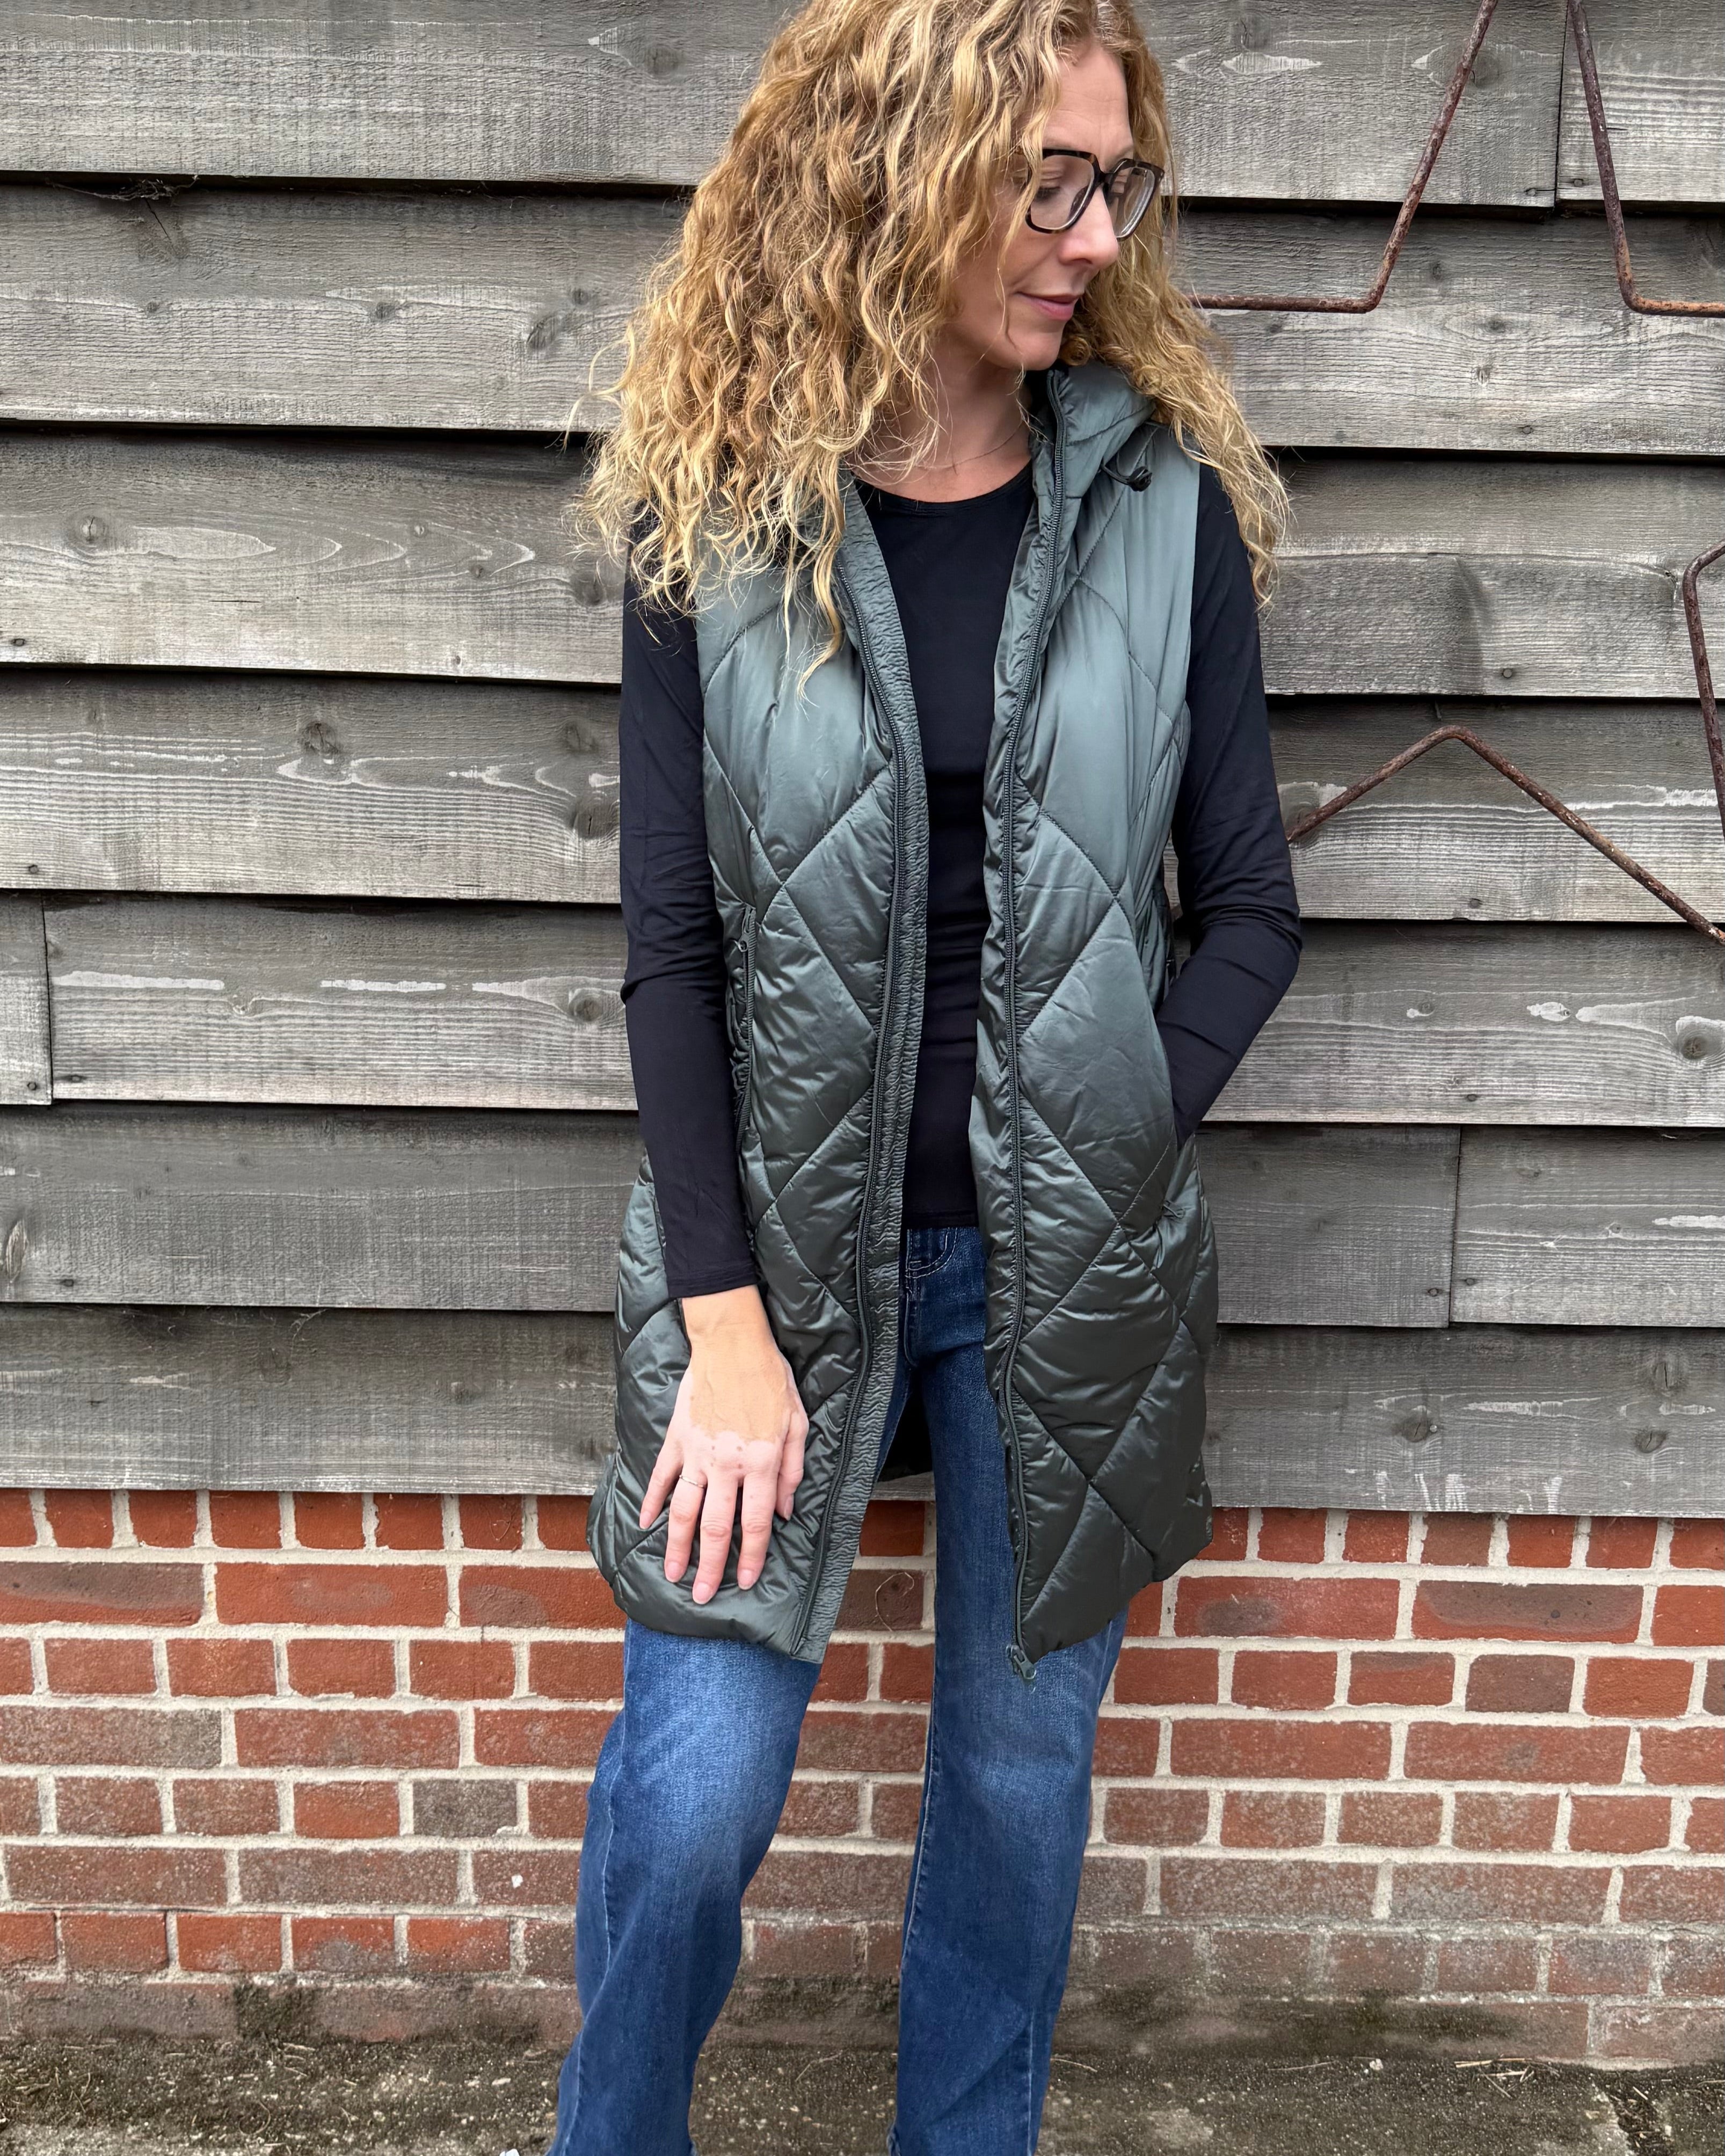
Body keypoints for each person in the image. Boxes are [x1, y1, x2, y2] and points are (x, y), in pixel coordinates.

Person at [553, 3, 1302, 2149]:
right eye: (1044, 179)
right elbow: (674, 948)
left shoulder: (1159, 506)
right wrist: (723, 1328)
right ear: (909, 168)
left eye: (1115, 181)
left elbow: (1245, 902)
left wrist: (1107, 1133)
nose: (1089, 230)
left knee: (1010, 1780)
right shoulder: (730, 505)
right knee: (696, 1794)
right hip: (774, 1261)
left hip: (1070, 1269)